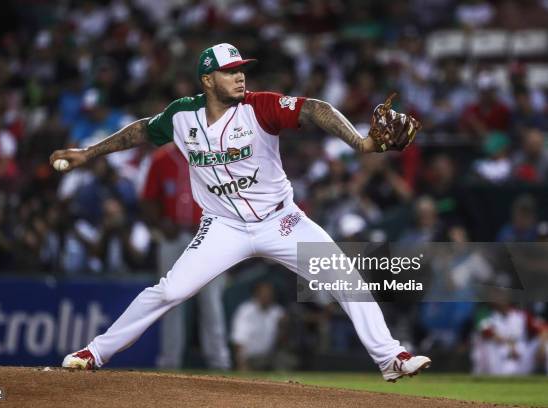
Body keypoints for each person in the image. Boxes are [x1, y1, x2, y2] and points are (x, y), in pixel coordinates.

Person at [51, 43, 430, 381]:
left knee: (344, 279)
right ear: (207, 80)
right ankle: (95, 353)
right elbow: (139, 131)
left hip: (282, 221)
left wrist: (361, 143)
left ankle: (391, 357)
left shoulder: (259, 106)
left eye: (241, 68)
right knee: (169, 290)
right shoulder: (182, 115)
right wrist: (88, 153)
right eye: (229, 71)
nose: (239, 75)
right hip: (223, 227)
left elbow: (315, 109)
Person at [143, 143, 230, 369]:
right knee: (170, 300)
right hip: (172, 237)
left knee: (210, 301)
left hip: (206, 238)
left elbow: (228, 196)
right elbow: (148, 198)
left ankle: (219, 361)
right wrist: (161, 223)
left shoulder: (214, 154)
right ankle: (170, 361)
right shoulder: (161, 158)